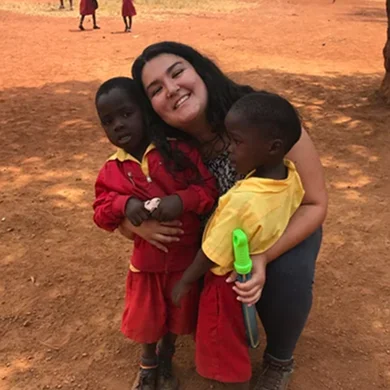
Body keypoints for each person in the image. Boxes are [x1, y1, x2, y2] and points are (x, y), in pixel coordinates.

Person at [120, 41, 328, 390]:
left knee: (287, 272)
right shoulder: (158, 150)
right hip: (213, 242)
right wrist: (135, 225)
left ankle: (279, 359)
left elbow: (315, 204)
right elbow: (119, 200)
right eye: (155, 90)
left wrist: (262, 257)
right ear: (150, 107)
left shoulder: (262, 118)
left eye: (177, 73)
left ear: (200, 70)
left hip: (276, 228)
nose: (171, 90)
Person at [172, 92, 305, 389]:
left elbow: (211, 252)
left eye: (237, 141)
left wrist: (186, 281)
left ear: (273, 148)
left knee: (221, 343)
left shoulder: (242, 200)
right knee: (237, 332)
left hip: (224, 282)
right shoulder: (290, 176)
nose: (229, 149)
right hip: (248, 271)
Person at [93, 77, 217, 390]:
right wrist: (124, 204)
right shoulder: (112, 169)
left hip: (183, 262)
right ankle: (147, 362)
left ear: (146, 112)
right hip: (145, 266)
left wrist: (181, 200)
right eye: (108, 121)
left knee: (177, 314)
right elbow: (100, 212)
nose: (118, 126)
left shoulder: (179, 152)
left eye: (126, 114)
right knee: (146, 318)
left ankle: (166, 357)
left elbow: (208, 189)